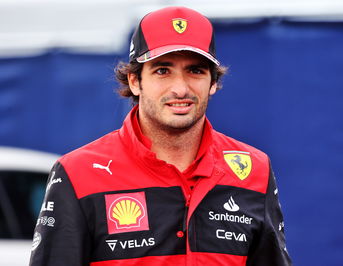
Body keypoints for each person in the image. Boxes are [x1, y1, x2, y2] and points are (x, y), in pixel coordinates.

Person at [29, 6, 292, 266]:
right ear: (134, 81)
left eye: (196, 71)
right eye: (162, 71)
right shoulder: (78, 172)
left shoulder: (253, 170)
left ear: (213, 82)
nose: (180, 88)